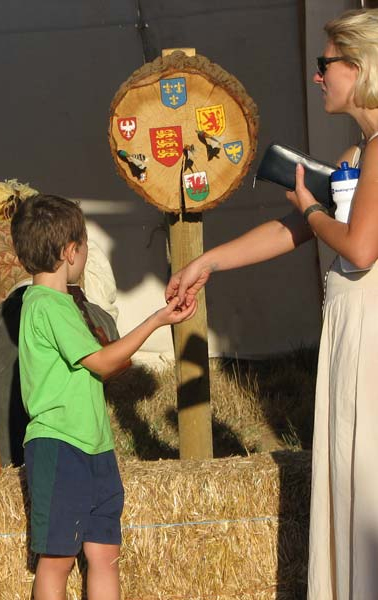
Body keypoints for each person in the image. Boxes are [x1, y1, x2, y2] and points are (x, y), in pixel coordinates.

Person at [165, 9, 378, 598]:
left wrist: (311, 206)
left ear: (359, 67)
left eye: (325, 64)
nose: (317, 76)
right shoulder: (360, 152)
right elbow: (297, 230)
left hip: (371, 329)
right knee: (352, 469)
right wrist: (208, 262)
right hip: (354, 324)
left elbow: (360, 246)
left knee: (366, 471)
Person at [11, 194, 196, 600]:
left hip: (94, 445)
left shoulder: (59, 303)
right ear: (70, 251)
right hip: (60, 446)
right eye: (85, 245)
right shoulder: (47, 305)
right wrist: (157, 320)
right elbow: (103, 362)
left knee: (105, 553)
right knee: (57, 558)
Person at [0, 179, 121, 465]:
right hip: (73, 308)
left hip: (14, 316)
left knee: (1, 403)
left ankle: (6, 460)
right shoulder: (66, 232)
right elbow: (101, 307)